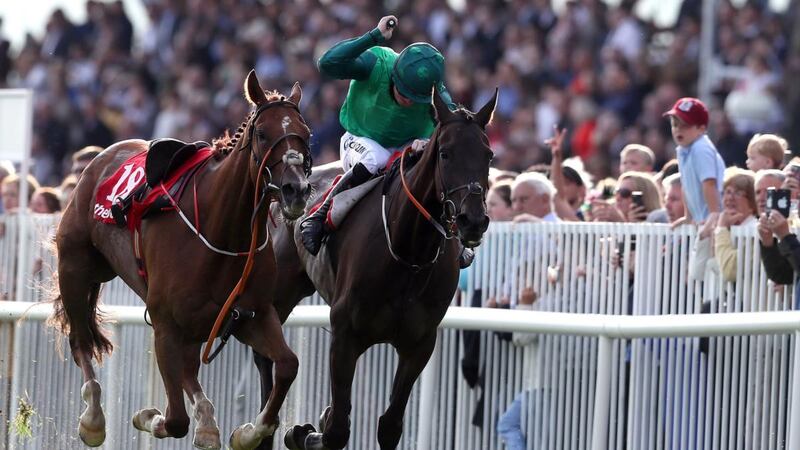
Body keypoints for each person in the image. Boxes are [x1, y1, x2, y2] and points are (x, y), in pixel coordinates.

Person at [300, 15, 459, 258]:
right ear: (394, 75)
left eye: (415, 98)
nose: (407, 101)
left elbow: (457, 130)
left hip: (405, 146)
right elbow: (327, 63)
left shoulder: (436, 95)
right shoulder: (377, 63)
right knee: (375, 159)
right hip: (360, 139)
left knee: (438, 160)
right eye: (403, 92)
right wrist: (374, 36)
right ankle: (320, 215)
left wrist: (429, 143)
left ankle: (455, 235)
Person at [663, 97, 724, 235]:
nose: (678, 129)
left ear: (701, 129)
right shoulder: (683, 149)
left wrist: (714, 214)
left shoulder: (700, 148)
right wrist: (688, 216)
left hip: (713, 222)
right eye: (675, 124)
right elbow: (686, 185)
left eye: (685, 125)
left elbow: (709, 183)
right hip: (702, 220)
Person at [713, 169, 758, 283]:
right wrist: (704, 235)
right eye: (727, 192)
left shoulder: (754, 230)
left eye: (738, 193)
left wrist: (721, 230)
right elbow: (697, 272)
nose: (730, 198)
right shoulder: (724, 226)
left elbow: (730, 271)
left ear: (752, 203)